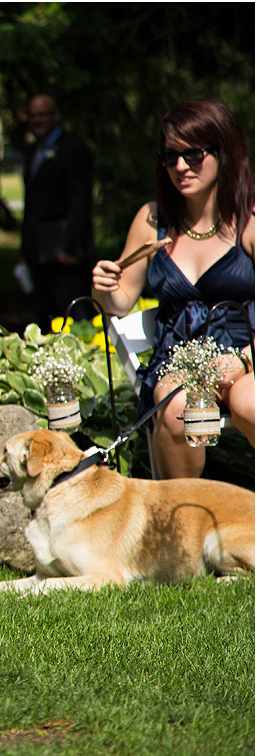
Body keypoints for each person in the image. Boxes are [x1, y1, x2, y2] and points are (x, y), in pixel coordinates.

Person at [91, 99, 254, 479]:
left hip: (245, 358)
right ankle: (179, 523)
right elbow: (119, 302)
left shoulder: (250, 221)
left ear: (224, 151)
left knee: (250, 403)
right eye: (170, 157)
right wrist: (104, 287)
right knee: (181, 409)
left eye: (193, 154)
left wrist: (244, 360)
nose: (181, 167)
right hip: (178, 362)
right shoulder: (152, 221)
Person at [21, 94, 96, 323]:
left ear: (56, 115)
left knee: (74, 315)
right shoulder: (32, 151)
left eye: (43, 114)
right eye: (33, 115)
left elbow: (79, 200)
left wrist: (71, 247)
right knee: (46, 317)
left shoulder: (73, 149)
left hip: (65, 251)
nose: (38, 120)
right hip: (39, 251)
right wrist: (24, 249)